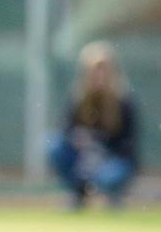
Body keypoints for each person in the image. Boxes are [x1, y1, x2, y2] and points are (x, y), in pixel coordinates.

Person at [46, 42, 138, 209]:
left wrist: (103, 150)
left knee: (110, 175)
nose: (99, 76)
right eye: (95, 71)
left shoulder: (123, 102)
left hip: (110, 159)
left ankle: (112, 193)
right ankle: (78, 192)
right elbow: (65, 131)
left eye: (104, 71)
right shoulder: (78, 99)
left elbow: (129, 143)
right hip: (83, 158)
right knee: (53, 145)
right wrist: (79, 140)